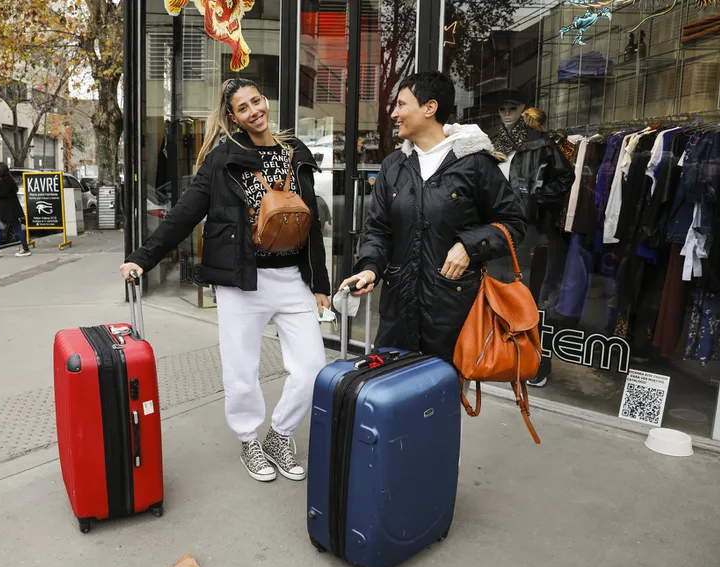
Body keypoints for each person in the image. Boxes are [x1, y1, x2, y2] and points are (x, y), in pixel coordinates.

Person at [119, 78, 331, 483]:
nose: (254, 111)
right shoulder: (222, 160)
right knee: (240, 370)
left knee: (312, 369)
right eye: (243, 107)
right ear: (233, 117)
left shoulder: (295, 153)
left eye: (257, 101)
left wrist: (319, 285)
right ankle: (249, 439)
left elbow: (311, 225)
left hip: (292, 279)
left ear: (266, 101)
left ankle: (280, 435)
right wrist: (142, 259)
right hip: (240, 280)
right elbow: (183, 215)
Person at [339, 71, 526, 362]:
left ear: (430, 108)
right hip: (397, 312)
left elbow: (513, 223)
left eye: (401, 104)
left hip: (452, 312)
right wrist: (370, 268)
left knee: (440, 397)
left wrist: (468, 246)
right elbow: (378, 229)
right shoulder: (393, 166)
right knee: (391, 397)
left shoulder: (474, 162)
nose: (394, 113)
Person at [491, 92, 574, 387]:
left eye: (512, 107)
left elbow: (566, 177)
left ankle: (535, 363)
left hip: (528, 229)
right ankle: (501, 356)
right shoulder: (493, 143)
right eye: (502, 108)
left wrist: (537, 198)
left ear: (523, 109)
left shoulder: (541, 144)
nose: (506, 113)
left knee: (528, 297)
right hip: (497, 227)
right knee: (496, 293)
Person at [0, 162, 31, 258]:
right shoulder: (7, 179)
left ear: (2, 169)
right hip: (10, 209)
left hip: (8, 210)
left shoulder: (5, 180)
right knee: (10, 227)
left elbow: (3, 194)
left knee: (1, 227)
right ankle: (24, 248)